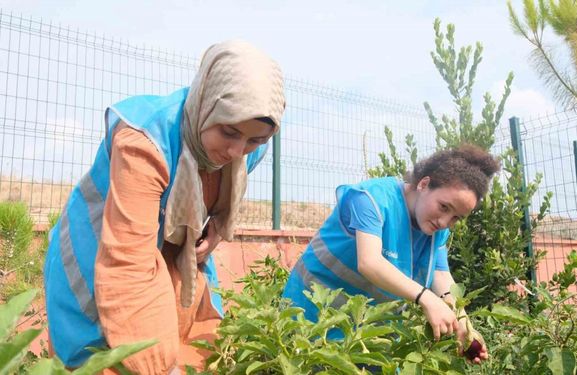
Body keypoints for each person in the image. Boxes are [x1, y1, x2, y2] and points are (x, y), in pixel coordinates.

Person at [44, 40, 286, 373]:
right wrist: (160, 367)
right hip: (105, 252)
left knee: (195, 344)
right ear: (206, 104)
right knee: (107, 357)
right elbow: (128, 264)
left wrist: (217, 222)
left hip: (168, 258)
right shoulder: (143, 142)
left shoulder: (247, 145)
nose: (237, 151)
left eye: (255, 140)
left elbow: (219, 189)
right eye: (229, 132)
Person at [283, 144, 499, 363]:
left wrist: (462, 322)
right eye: (444, 207)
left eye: (456, 218)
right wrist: (427, 299)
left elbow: (441, 276)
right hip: (312, 317)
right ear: (424, 184)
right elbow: (369, 262)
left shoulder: (435, 229)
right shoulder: (372, 199)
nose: (445, 222)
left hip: (369, 335)